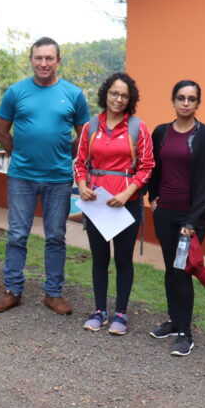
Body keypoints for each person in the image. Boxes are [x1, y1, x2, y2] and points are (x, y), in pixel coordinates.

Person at [0, 37, 91, 315]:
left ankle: (54, 293)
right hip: (22, 176)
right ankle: (12, 290)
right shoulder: (16, 92)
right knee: (17, 235)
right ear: (31, 60)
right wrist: (20, 153)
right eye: (38, 58)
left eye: (49, 58)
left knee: (56, 236)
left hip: (58, 178)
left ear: (58, 61)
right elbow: (0, 131)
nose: (43, 63)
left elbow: (84, 135)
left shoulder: (73, 94)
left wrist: (65, 155)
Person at [74, 73, 154, 335]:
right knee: (99, 259)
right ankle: (99, 311)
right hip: (96, 204)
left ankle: (120, 313)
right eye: (114, 93)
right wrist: (83, 186)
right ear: (105, 94)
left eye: (124, 95)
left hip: (126, 204)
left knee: (123, 260)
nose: (118, 99)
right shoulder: (90, 127)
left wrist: (128, 192)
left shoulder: (137, 128)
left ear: (130, 100)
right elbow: (80, 163)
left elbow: (146, 167)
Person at [146, 80, 205, 356]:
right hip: (165, 213)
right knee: (169, 268)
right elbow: (154, 167)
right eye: (181, 98)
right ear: (173, 101)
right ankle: (174, 322)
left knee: (182, 270)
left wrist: (191, 222)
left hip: (192, 217)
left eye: (191, 99)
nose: (186, 103)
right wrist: (151, 196)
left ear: (198, 103)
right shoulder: (161, 132)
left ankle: (186, 334)